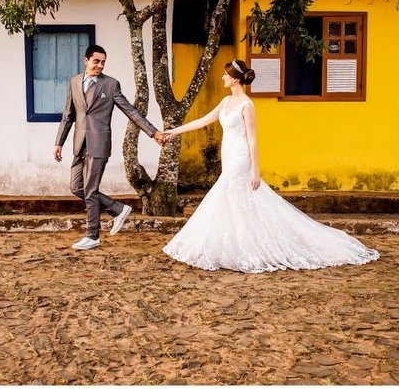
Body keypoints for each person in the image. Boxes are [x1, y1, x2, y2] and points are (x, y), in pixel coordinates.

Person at [160, 59, 379, 272]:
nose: (222, 77)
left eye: (226, 74)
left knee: (229, 196)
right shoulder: (226, 102)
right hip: (228, 155)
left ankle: (244, 248)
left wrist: (255, 170)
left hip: (240, 158)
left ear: (235, 79)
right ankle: (235, 246)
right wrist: (173, 132)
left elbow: (252, 140)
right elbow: (202, 121)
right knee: (235, 200)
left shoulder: (247, 106)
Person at [54, 45, 167, 250]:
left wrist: (153, 132)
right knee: (76, 187)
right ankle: (118, 208)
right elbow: (68, 115)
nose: (100, 65)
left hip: (99, 144)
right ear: (86, 60)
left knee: (90, 190)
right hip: (80, 144)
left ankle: (92, 235)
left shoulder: (110, 84)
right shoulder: (74, 82)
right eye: (96, 61)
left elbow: (130, 111)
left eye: (103, 62)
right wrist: (59, 142)